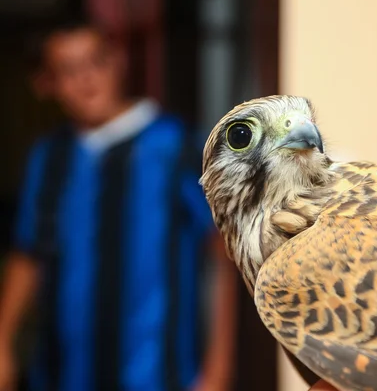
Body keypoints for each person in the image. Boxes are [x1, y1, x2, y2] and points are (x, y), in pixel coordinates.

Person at [0, 20, 237, 391]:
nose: (86, 79)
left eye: (96, 62)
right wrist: (3, 341)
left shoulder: (177, 148)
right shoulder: (48, 159)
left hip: (159, 374)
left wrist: (218, 369)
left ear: (118, 61)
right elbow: (28, 253)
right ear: (46, 84)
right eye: (68, 70)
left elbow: (223, 256)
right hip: (63, 374)